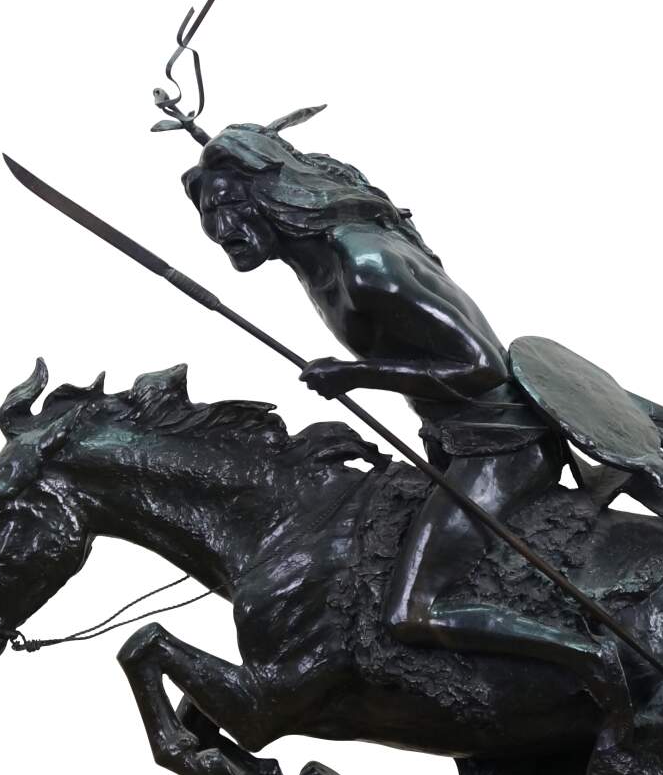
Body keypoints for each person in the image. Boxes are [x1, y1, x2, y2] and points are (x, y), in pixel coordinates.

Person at [182, 121, 624, 700]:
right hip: (452, 442)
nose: (221, 230)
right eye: (209, 214)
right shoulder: (317, 263)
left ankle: (593, 659)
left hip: (503, 446)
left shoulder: (366, 266)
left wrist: (357, 375)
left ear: (272, 196)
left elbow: (483, 367)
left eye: (232, 206)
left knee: (410, 611)